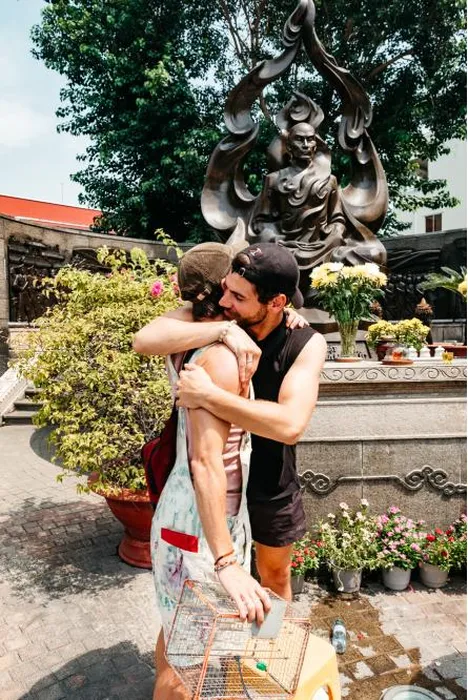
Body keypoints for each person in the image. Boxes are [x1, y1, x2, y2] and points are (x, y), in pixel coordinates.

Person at [134, 241, 327, 604]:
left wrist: (209, 396)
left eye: (238, 297)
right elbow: (144, 340)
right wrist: (224, 331)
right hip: (218, 485)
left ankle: (270, 641)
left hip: (270, 476)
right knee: (206, 601)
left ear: (277, 303)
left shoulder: (303, 342)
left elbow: (290, 426)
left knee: (274, 576)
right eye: (226, 289)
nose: (226, 302)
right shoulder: (219, 320)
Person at [146, 242, 271, 700]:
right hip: (201, 523)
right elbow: (207, 462)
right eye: (234, 286)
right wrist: (227, 562)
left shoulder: (190, 334)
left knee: (179, 633)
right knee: (191, 665)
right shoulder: (218, 357)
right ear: (223, 290)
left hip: (184, 514)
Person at [249, 121, 386, 294]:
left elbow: (337, 218)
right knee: (259, 259)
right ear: (289, 146)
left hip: (323, 246)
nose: (306, 145)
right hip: (286, 246)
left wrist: (336, 232)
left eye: (310, 139)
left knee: (373, 255)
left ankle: (324, 292)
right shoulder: (273, 179)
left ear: (316, 145)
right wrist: (274, 237)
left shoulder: (329, 180)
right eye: (300, 140)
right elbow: (261, 221)